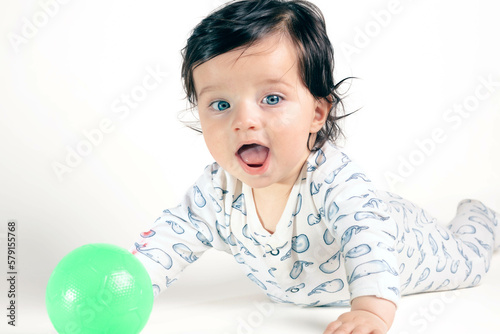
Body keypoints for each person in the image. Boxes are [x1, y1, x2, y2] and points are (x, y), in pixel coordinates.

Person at [130, 1, 499, 333]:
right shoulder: (217, 190)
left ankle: (480, 216)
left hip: (410, 244)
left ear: (317, 113)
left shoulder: (335, 182)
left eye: (271, 98)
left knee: (470, 256)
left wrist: (371, 310)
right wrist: (126, 284)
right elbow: (171, 237)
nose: (244, 120)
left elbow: (366, 236)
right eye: (220, 105)